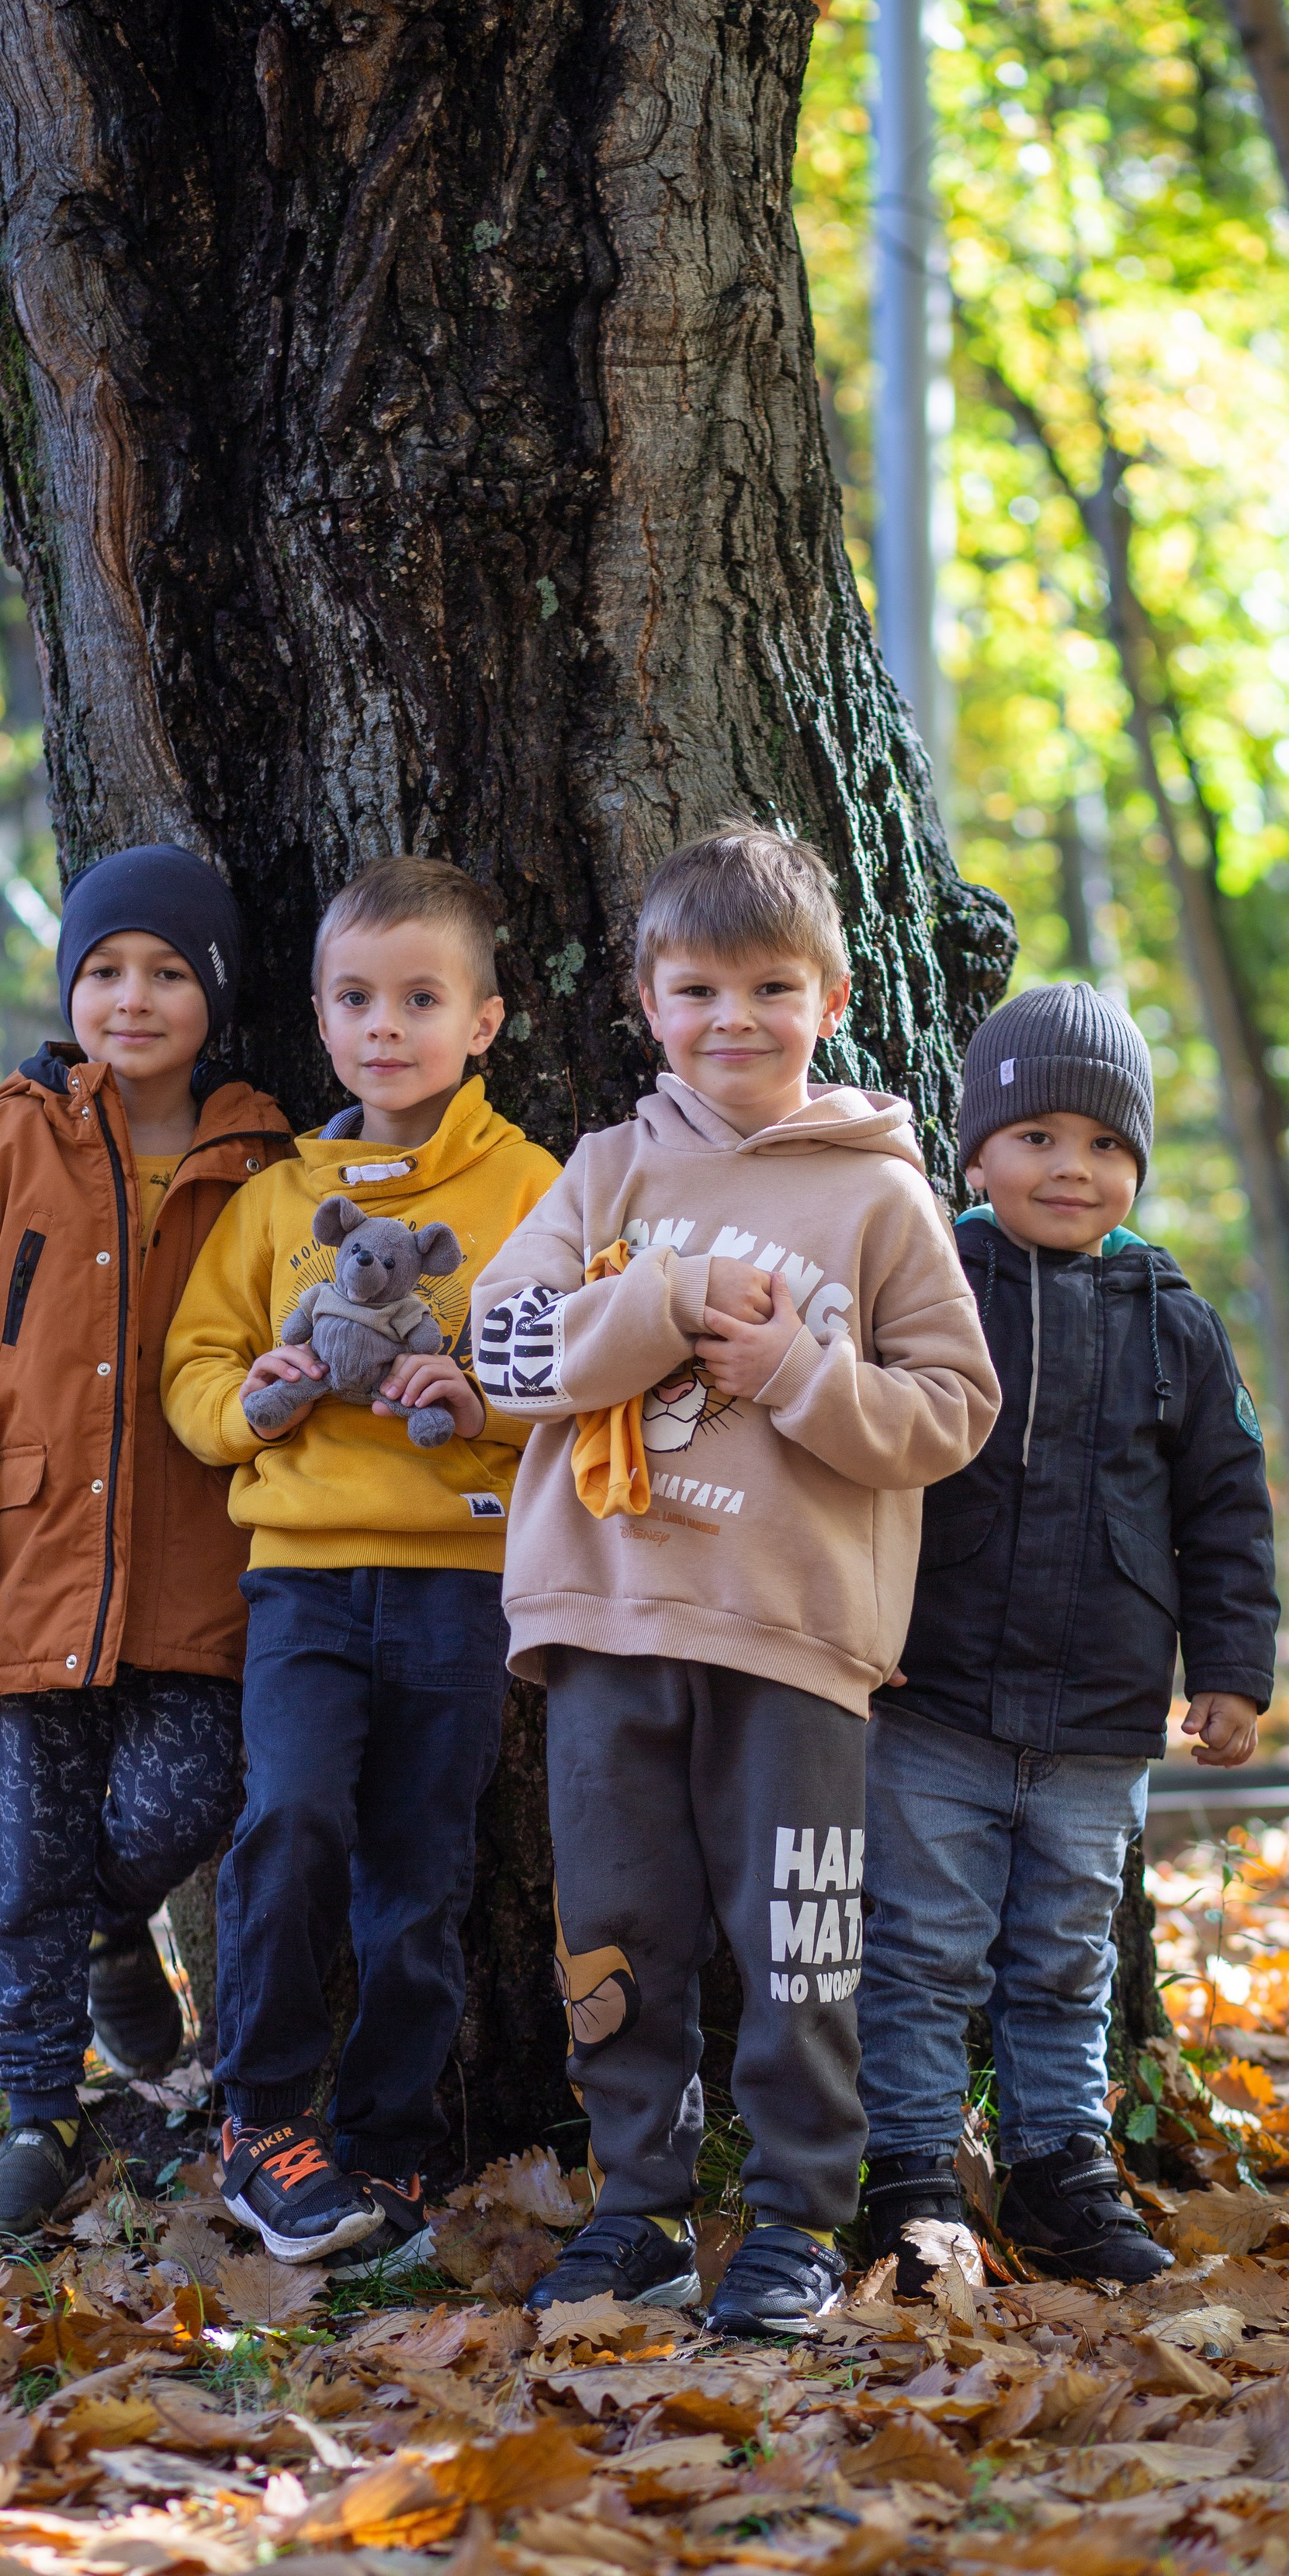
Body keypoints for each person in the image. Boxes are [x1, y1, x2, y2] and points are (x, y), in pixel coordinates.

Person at [470, 821, 1002, 2339]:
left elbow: (950, 1413)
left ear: (827, 1000)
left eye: (769, 988)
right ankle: (633, 2205)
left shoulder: (879, 1200)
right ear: (648, 1003)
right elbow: (507, 1355)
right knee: (618, 1927)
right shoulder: (608, 1172)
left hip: (795, 1638)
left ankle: (791, 2220)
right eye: (697, 990)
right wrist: (664, 1298)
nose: (732, 1022)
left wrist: (797, 1372)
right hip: (607, 1619)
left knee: (801, 1930)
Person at [0, 843, 292, 2239]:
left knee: (192, 1795)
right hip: (30, 1566)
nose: (132, 997)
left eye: (168, 972)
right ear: (70, 987)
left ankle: (119, 1929)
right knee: (26, 1864)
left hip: (205, 1569)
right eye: (106, 970)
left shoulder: (269, 1163)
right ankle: (40, 2121)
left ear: (215, 998)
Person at [161, 856, 560, 2263]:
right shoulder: (280, 1202)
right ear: (321, 1019)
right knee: (293, 1825)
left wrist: (480, 1409)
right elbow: (194, 1371)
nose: (384, 1026)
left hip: (462, 1580)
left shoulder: (530, 1189)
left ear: (485, 1021)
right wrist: (254, 1401)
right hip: (305, 1578)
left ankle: (384, 2148)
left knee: (421, 1869)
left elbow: (579, 1374)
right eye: (354, 998)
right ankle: (261, 2117)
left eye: (418, 998)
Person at [859, 982, 1279, 2294]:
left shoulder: (1174, 1323)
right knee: (920, 1950)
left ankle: (1061, 2173)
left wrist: (1231, 1673)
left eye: (1105, 1146)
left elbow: (1226, 1510)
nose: (1072, 1168)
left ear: (1138, 1167)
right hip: (932, 1701)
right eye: (1037, 1137)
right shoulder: (927, 1284)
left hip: (1100, 1724)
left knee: (1061, 1960)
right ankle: (916, 2176)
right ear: (975, 1149)